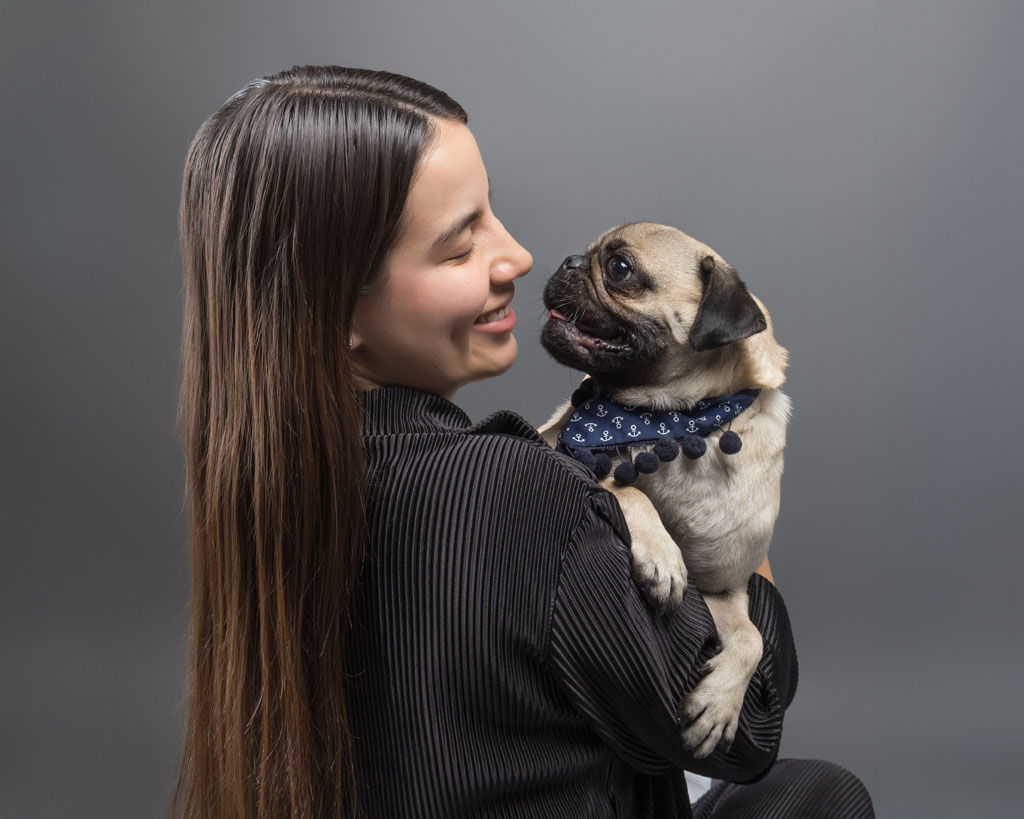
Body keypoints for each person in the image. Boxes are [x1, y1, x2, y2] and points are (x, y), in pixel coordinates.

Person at [173, 65, 874, 819]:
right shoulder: (519, 491)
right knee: (822, 794)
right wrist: (740, 487)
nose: (516, 257)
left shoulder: (279, 483)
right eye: (458, 246)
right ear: (337, 309)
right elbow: (750, 727)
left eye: (492, 216)